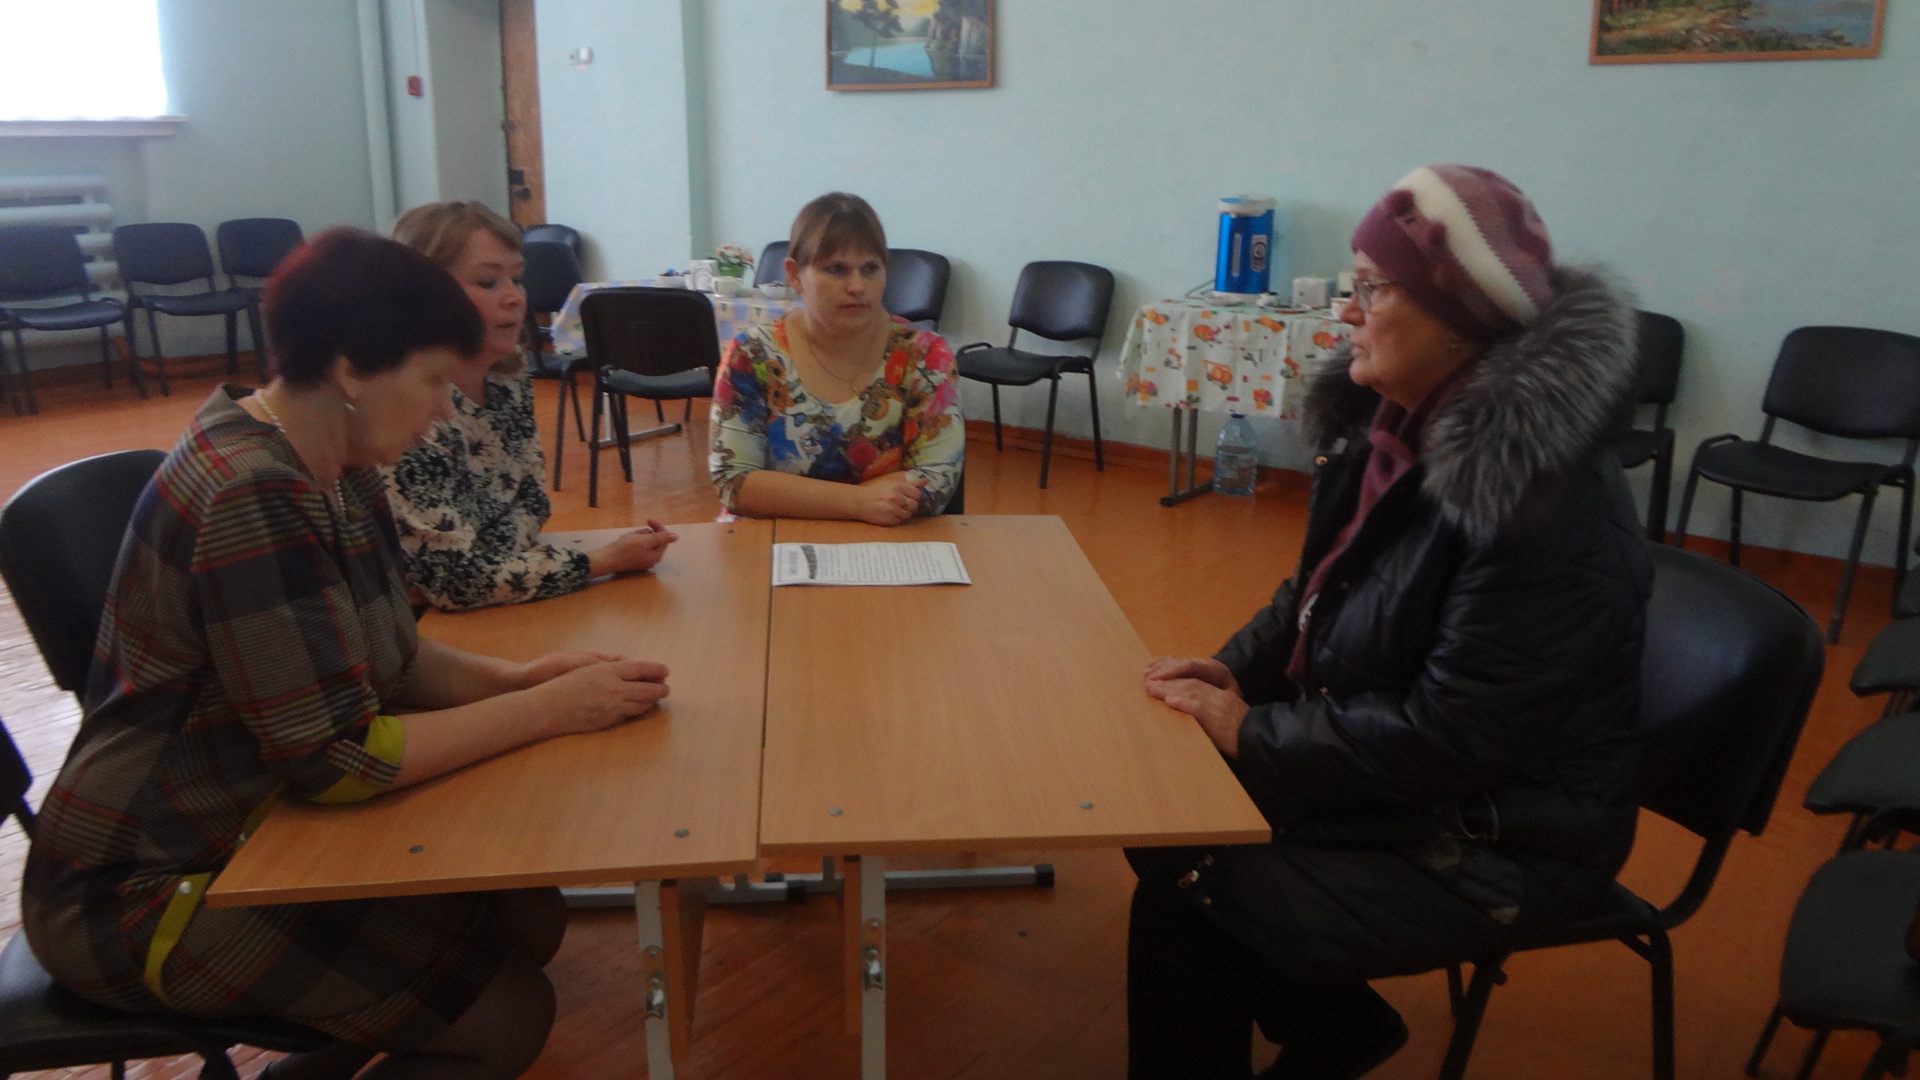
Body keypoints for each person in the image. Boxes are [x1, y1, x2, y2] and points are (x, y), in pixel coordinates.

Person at [22, 229, 672, 1080]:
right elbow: (338, 761)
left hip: (241, 826)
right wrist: (543, 711)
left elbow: (393, 656)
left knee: (526, 917)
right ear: (352, 369)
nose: (445, 409)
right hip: (146, 887)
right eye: (432, 381)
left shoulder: (334, 455)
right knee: (510, 1017)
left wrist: (519, 679)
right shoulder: (254, 489)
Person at [1129, 165, 1652, 1080]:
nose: (1345, 312)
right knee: (1158, 808)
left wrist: (1253, 733)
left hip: (1500, 832)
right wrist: (1231, 676)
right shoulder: (1395, 422)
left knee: (1195, 887)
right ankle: (1339, 1027)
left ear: (1458, 317)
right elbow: (1314, 593)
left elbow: (1459, 735)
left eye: (1370, 288)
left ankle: (1334, 1030)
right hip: (1409, 778)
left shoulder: (1543, 498)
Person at [386, 201, 676, 612]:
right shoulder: (401, 406)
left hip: (502, 595)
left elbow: (532, 502)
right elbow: (455, 583)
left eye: (517, 279)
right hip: (416, 624)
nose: (514, 298)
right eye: (488, 282)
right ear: (422, 294)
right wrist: (604, 560)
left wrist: (488, 563)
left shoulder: (508, 373)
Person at [709, 192, 963, 524]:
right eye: (836, 269)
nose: (857, 286)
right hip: (770, 540)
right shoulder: (752, 355)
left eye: (870, 269)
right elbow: (733, 481)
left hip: (888, 539)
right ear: (794, 274)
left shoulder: (925, 355)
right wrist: (856, 503)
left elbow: (937, 478)